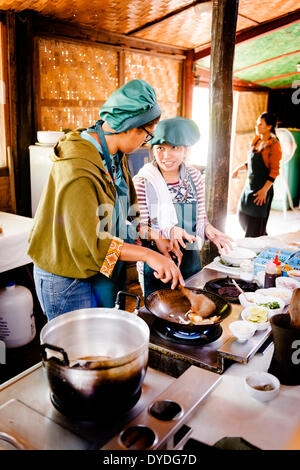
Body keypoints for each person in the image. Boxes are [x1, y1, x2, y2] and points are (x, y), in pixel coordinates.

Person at [28, 79, 184, 321]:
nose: (146, 142)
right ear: (131, 127)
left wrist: (154, 236)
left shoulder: (113, 156)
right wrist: (148, 255)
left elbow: (122, 218)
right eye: (147, 135)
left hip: (99, 265)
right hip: (68, 275)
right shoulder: (78, 168)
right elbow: (91, 243)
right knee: (76, 352)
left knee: (101, 337)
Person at [133, 116, 233, 299]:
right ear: (152, 149)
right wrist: (168, 232)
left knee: (191, 311)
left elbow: (200, 221)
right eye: (160, 148)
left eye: (174, 148)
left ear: (185, 150)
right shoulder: (143, 181)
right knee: (159, 312)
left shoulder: (194, 177)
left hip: (190, 259)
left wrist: (209, 231)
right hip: (157, 263)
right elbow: (139, 228)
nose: (166, 156)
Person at [232, 112, 282, 238]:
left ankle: (258, 248)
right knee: (242, 216)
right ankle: (262, 238)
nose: (256, 126)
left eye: (260, 124)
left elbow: (274, 172)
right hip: (249, 188)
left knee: (254, 229)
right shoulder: (257, 140)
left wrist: (264, 191)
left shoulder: (274, 146)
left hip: (262, 190)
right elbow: (251, 162)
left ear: (269, 127)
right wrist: (239, 168)